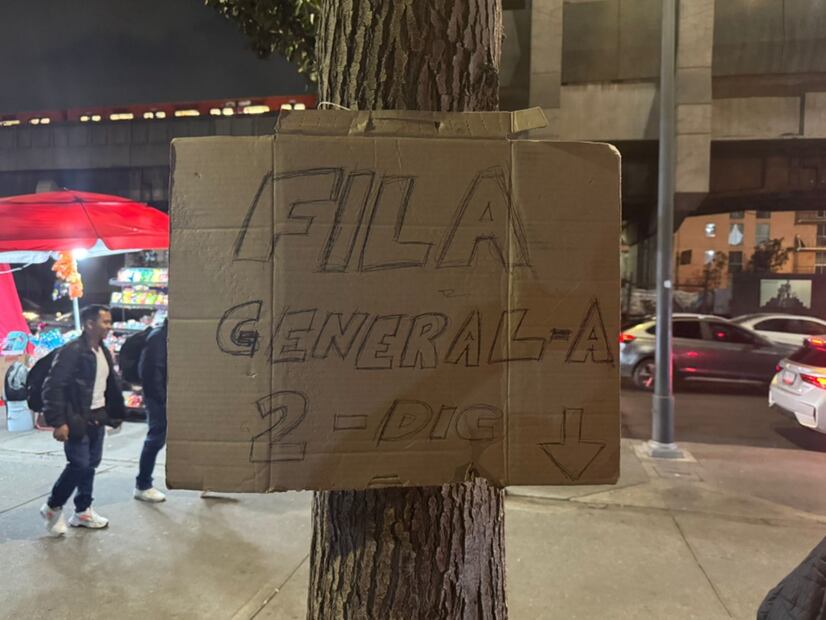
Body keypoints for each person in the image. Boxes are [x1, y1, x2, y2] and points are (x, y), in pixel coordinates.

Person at [39, 305, 125, 536]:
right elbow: (53, 387)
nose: (109, 326)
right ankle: (52, 507)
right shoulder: (72, 351)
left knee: (91, 465)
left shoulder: (102, 350)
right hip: (76, 418)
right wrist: (58, 422)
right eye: (105, 322)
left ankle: (83, 510)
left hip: (98, 416)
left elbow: (109, 385)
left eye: (110, 322)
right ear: (89, 324)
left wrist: (115, 414)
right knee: (79, 464)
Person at [134, 319, 167, 502]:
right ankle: (143, 485)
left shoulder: (171, 335)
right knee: (155, 439)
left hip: (168, 397)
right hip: (159, 399)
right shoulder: (159, 336)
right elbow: (151, 372)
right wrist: (162, 399)